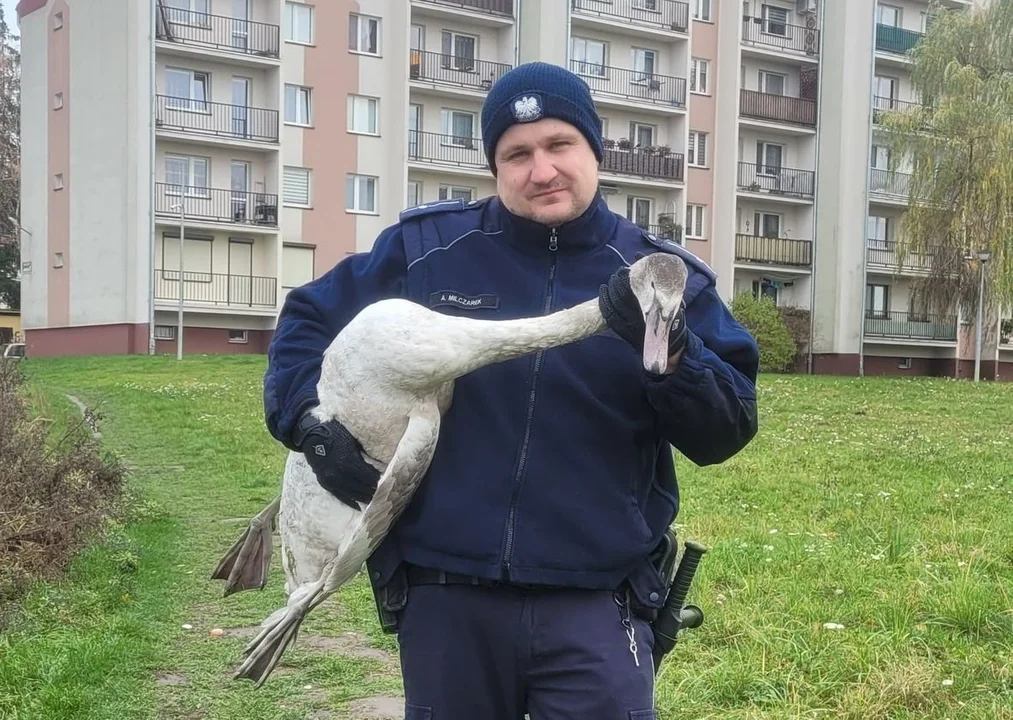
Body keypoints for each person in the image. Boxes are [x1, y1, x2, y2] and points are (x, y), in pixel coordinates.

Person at [263, 62, 759, 719]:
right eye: (516, 153)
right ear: (495, 167)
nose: (541, 170)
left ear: (593, 151)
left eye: (559, 145)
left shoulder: (664, 279)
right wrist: (305, 423)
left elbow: (724, 430)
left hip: (596, 605)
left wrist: (671, 348)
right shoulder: (427, 251)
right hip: (446, 597)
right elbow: (307, 318)